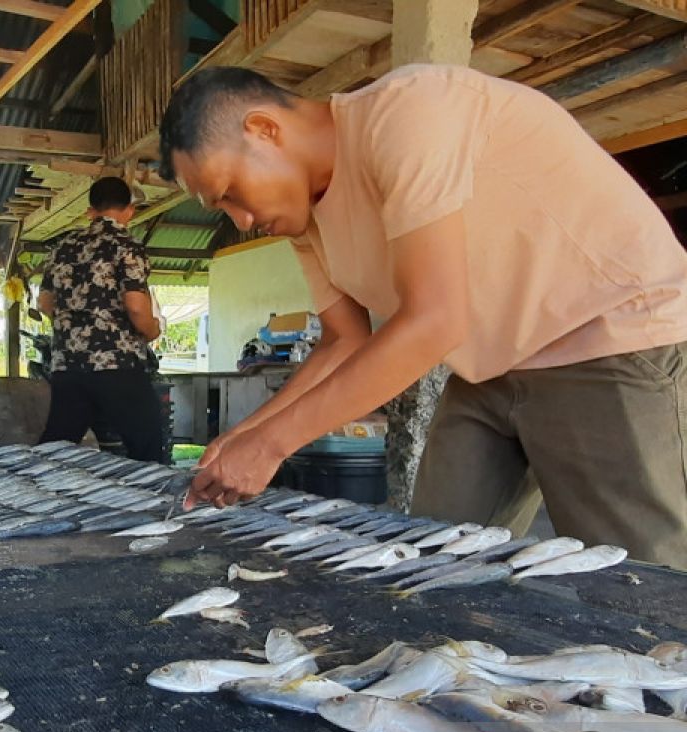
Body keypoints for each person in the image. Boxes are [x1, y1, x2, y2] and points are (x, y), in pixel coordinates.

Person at [159, 65, 687, 568]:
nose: (243, 220)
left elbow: (435, 321)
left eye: (231, 194)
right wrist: (245, 434)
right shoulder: (304, 218)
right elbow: (343, 341)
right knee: (432, 558)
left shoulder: (409, 113)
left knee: (635, 583)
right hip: (489, 368)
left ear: (264, 129)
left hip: (608, 338)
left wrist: (272, 445)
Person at [37, 177, 165, 462]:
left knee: (53, 451)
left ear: (91, 210)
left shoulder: (63, 248)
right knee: (148, 447)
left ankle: (22, 493)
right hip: (116, 364)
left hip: (68, 366)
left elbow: (45, 303)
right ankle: (152, 504)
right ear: (130, 210)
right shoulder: (127, 247)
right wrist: (152, 330)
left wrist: (74, 324)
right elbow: (135, 306)